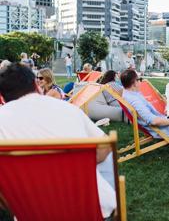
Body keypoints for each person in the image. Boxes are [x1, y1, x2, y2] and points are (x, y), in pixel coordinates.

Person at [0, 63, 116, 218]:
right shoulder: (69, 110)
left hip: (31, 213)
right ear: (36, 84)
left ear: (3, 95)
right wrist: (78, 164)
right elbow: (105, 147)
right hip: (91, 210)